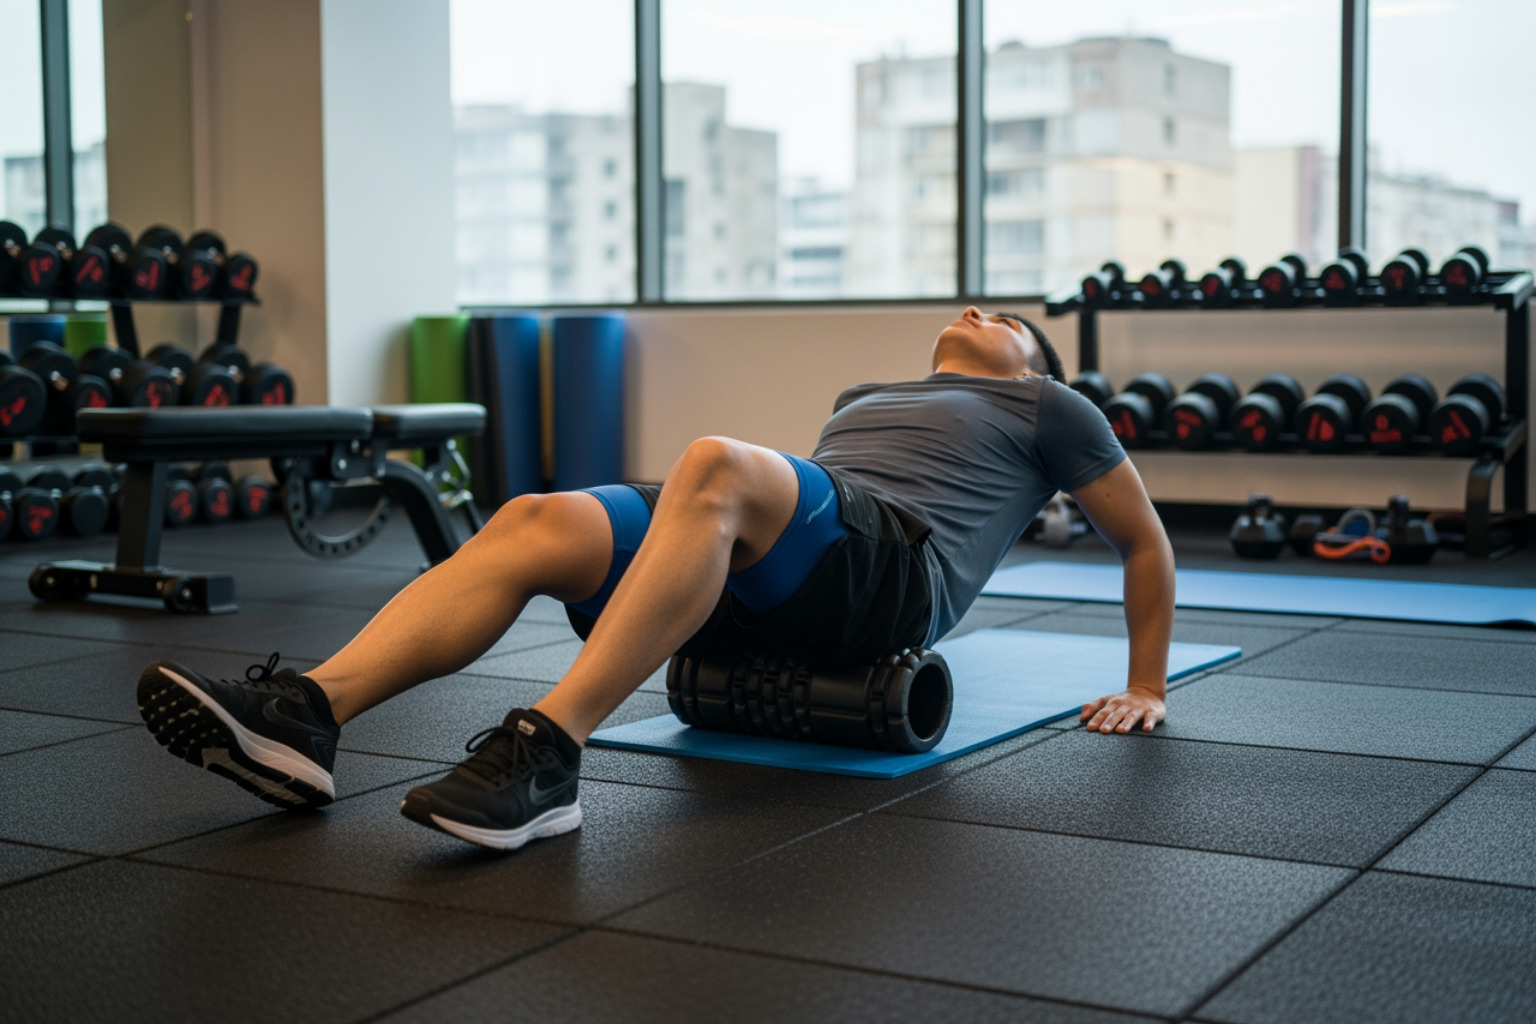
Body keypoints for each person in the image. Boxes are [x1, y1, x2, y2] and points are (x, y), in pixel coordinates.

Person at [137, 307, 1175, 851]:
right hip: (798, 573)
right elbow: (804, 509)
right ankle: (309, 711)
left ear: (1031, 361)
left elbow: (1146, 544)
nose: (972, 307)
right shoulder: (865, 392)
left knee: (717, 459)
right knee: (534, 518)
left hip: (893, 581)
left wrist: (1147, 684)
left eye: (997, 314)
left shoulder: (1051, 408)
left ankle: (547, 753)